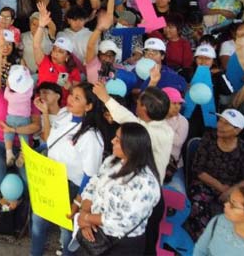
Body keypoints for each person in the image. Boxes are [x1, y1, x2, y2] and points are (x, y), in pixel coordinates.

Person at [29, 83, 106, 256]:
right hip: (51, 179)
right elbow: (49, 139)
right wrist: (45, 113)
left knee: (66, 234)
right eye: (71, 95)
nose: (70, 99)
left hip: (71, 188)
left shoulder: (91, 136)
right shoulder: (64, 114)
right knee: (38, 222)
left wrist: (77, 202)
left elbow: (90, 174)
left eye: (77, 98)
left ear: (89, 106)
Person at [75, 122, 163, 254]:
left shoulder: (145, 183)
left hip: (121, 245)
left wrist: (86, 218)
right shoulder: (111, 161)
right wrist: (85, 211)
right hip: (97, 231)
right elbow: (93, 184)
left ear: (131, 146)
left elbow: (122, 220)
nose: (112, 141)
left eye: (117, 139)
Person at [186, 109, 244, 238]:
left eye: (226, 123)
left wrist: (229, 192)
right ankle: (203, 242)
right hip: (204, 184)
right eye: (220, 121)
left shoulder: (242, 149)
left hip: (231, 190)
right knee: (197, 205)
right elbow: (198, 170)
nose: (219, 125)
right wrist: (221, 188)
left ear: (237, 130)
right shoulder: (209, 137)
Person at [193, 180, 244, 255]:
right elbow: (200, 249)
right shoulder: (219, 221)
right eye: (228, 200)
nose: (226, 204)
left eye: (233, 205)